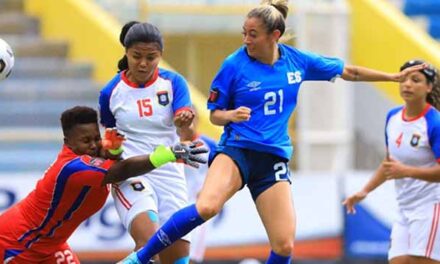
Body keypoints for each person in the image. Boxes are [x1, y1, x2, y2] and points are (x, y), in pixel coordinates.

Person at [119, 1, 429, 263]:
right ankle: (140, 257)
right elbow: (214, 115)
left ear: (274, 36)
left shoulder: (298, 61)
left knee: (284, 245)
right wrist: (231, 115)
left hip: (272, 160)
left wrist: (390, 76)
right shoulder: (234, 65)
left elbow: (349, 71)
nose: (246, 41)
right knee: (207, 207)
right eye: (244, 34)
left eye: (252, 35)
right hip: (237, 151)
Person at [0, 106, 207, 263]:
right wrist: (168, 154)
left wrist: (114, 151)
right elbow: (120, 171)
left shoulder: (94, 155)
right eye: (85, 141)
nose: (92, 146)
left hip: (50, 246)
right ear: (68, 142)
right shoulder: (71, 167)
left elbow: (115, 163)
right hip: (15, 243)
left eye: (96, 138)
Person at [98, 21, 195, 263]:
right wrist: (112, 148)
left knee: (177, 258)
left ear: (160, 55)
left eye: (151, 57)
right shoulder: (111, 92)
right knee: (149, 248)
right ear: (126, 53)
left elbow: (187, 127)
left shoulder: (173, 83)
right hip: (132, 172)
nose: (143, 63)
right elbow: (108, 140)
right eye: (136, 56)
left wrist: (185, 121)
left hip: (169, 173)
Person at [343, 60, 440, 264]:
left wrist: (406, 171)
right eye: (403, 78)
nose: (407, 84)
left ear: (429, 87)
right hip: (405, 207)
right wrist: (364, 191)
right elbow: (390, 164)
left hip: (431, 207)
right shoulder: (393, 117)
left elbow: (404, 169)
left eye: (415, 80)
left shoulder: (434, 123)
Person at [183, 109, 217, 264]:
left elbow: (222, 170)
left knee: (193, 254)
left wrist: (209, 190)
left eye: (192, 119)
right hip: (175, 201)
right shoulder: (171, 145)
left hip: (198, 205)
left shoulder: (209, 145)